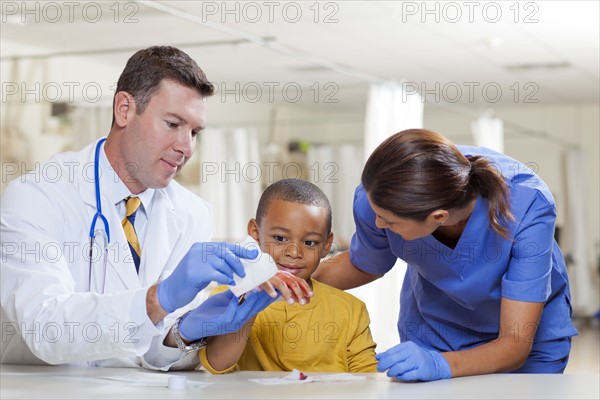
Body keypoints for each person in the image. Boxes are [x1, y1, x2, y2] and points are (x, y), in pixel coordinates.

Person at [0, 46, 308, 370]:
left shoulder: (192, 214)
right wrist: (156, 300)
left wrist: (184, 333)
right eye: (173, 124)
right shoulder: (38, 195)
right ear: (124, 109)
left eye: (194, 132)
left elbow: (154, 356)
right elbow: (46, 328)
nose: (186, 147)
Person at [313, 129, 579, 381]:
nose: (379, 224)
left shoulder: (527, 205)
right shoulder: (378, 196)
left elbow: (514, 344)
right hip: (435, 329)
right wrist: (295, 277)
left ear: (438, 217)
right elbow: (365, 263)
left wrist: (440, 365)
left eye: (389, 222)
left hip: (524, 337)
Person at [199, 178, 378, 373]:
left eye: (310, 243)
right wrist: (249, 300)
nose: (293, 252)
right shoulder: (228, 295)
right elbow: (217, 364)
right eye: (280, 238)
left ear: (327, 245)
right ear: (255, 233)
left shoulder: (351, 310)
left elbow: (368, 381)